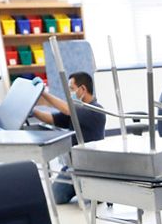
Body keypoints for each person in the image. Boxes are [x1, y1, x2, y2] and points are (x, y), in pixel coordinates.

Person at [32, 71, 107, 204]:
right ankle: (80, 188)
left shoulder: (95, 110)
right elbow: (51, 119)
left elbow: (67, 109)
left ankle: (91, 189)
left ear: (83, 89)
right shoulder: (75, 110)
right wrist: (32, 111)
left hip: (92, 167)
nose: (69, 93)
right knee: (56, 197)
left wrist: (43, 92)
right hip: (73, 166)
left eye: (71, 89)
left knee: (92, 198)